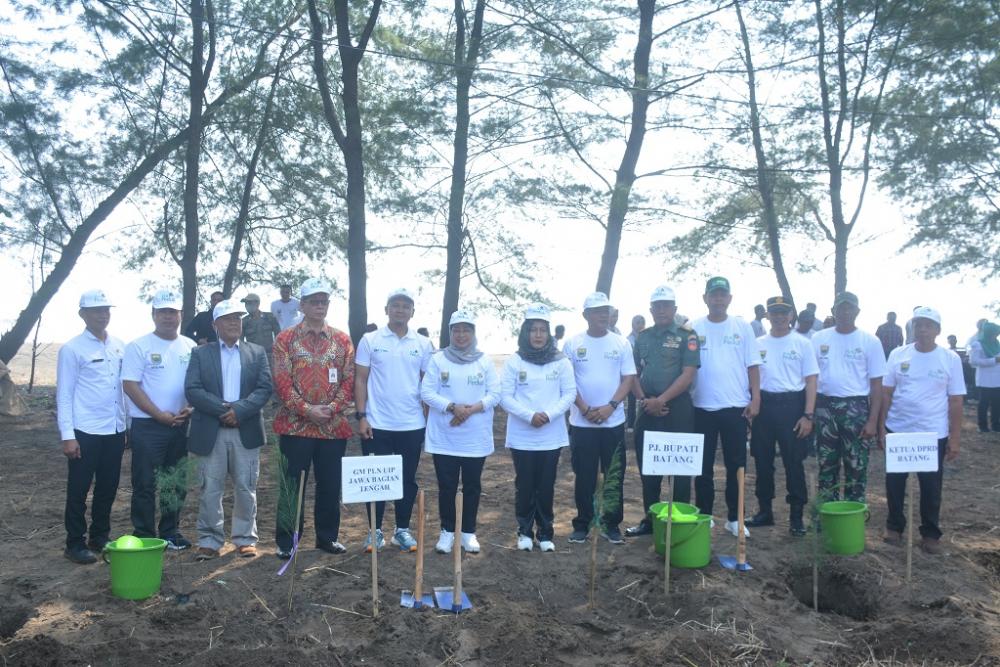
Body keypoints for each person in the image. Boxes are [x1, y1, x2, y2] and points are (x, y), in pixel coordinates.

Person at [271, 278, 355, 558]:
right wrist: (308, 410)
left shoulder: (342, 340)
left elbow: (349, 380)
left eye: (324, 302)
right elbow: (282, 382)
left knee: (330, 485)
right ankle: (287, 541)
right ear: (303, 305)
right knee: (292, 485)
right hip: (295, 426)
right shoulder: (285, 339)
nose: (319, 306)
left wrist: (331, 408)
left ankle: (327, 537)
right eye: (313, 301)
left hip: (332, 427)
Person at [184, 299, 273, 560]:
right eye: (228, 318)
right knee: (210, 488)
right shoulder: (200, 353)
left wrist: (240, 410)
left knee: (246, 487)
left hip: (245, 430)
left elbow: (264, 388)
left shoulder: (256, 352)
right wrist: (224, 410)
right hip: (211, 431)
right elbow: (193, 389)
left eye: (238, 317)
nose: (235, 322)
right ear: (215, 325)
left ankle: (245, 538)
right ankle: (210, 540)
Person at [879, 307, 964, 555]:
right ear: (912, 328)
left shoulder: (950, 359)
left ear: (938, 330)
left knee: (930, 486)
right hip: (898, 430)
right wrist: (881, 428)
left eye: (928, 325)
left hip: (932, 434)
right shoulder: (898, 354)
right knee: (894, 483)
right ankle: (894, 526)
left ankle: (930, 534)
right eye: (918, 324)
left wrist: (955, 438)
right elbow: (886, 393)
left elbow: (956, 400)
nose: (923, 329)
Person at [354, 288, 434, 553]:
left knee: (407, 479)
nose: (400, 310)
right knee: (375, 479)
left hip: (411, 425)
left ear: (412, 312)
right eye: (395, 305)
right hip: (377, 424)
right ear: (386, 310)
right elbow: (361, 379)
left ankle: (402, 530)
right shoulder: (370, 339)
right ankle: (375, 532)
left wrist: (427, 417)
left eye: (406, 306)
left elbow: (427, 383)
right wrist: (362, 416)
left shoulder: (422, 344)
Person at [420, 310, 500, 554]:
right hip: (445, 436)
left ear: (473, 333)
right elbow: (426, 392)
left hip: (475, 437)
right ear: (450, 333)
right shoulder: (438, 360)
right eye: (456, 330)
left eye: (466, 330)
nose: (461, 335)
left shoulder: (484, 361)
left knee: (472, 485)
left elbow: (495, 394)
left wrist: (470, 410)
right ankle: (447, 531)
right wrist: (453, 407)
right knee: (447, 485)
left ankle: (467, 532)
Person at [122, 289, 196, 550]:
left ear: (181, 315)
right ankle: (144, 534)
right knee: (144, 482)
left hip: (180, 424)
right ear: (153, 315)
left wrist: (190, 408)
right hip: (148, 426)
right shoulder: (139, 346)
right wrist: (158, 415)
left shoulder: (190, 346)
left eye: (172, 312)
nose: (168, 317)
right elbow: (130, 385)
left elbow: (196, 384)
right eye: (162, 312)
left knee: (174, 482)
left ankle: (170, 532)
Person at [57, 289, 127, 564]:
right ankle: (74, 542)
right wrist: (67, 436)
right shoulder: (72, 349)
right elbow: (64, 394)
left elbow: (124, 389)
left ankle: (99, 536)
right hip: (85, 430)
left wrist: (127, 426)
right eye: (96, 310)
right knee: (79, 488)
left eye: (106, 309)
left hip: (114, 429)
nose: (102, 315)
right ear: (82, 314)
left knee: (108, 487)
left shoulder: (120, 345)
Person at [625, 286, 700, 538]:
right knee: (649, 466)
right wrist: (646, 400)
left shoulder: (687, 336)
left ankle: (677, 521)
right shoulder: (642, 337)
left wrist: (662, 400)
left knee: (679, 468)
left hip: (677, 407)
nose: (661, 310)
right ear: (651, 310)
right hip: (647, 406)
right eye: (657, 306)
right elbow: (632, 373)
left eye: (666, 305)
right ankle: (651, 519)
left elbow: (688, 374)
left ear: (675, 309)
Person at [501, 304, 575, 552]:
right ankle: (524, 531)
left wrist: (549, 414)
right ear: (525, 333)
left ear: (549, 333)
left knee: (546, 485)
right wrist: (530, 415)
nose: (538, 335)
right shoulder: (515, 360)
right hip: (523, 435)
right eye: (533, 330)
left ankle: (545, 533)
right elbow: (505, 396)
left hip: (551, 435)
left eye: (543, 330)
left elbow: (569, 393)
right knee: (524, 484)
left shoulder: (560, 361)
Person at [690, 277, 761, 537]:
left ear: (729, 298)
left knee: (736, 465)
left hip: (736, 407)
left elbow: (753, 365)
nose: (718, 299)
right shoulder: (693, 328)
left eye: (722, 294)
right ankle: (705, 514)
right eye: (713, 295)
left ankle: (735, 518)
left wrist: (756, 399)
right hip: (702, 407)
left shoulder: (742, 327)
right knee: (703, 466)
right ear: (705, 298)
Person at [563, 292, 636, 545]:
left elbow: (628, 378)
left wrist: (611, 406)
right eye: (597, 311)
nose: (602, 315)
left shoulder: (621, 343)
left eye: (606, 311)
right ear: (585, 315)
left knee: (614, 474)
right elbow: (567, 380)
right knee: (584, 475)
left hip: (612, 422)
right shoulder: (572, 344)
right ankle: (583, 523)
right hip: (582, 423)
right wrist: (584, 408)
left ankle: (611, 524)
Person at [746, 296, 818, 536]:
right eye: (774, 312)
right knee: (763, 461)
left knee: (793, 462)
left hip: (792, 407)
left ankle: (796, 517)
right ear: (767, 315)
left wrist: (808, 415)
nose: (778, 317)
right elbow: (751, 376)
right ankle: (764, 511)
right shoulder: (757, 343)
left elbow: (811, 380)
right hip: (764, 407)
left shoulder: (802, 343)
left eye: (783, 313)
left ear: (790, 316)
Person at [812, 292, 885, 502]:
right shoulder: (819, 339)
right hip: (825, 407)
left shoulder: (870, 341)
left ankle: (853, 514)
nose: (845, 312)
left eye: (849, 308)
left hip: (856, 409)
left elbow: (877, 386)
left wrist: (872, 421)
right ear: (833, 311)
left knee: (856, 464)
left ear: (857, 311)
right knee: (826, 464)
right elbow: (811, 378)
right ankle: (827, 515)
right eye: (840, 308)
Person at [969, 321, 1000, 433]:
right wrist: (993, 360)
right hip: (985, 379)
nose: (996, 336)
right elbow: (973, 361)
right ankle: (983, 426)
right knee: (984, 403)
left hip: (997, 379)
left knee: (997, 404)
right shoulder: (977, 344)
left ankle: (996, 425)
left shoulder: (997, 344)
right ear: (988, 333)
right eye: (994, 333)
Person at [240, 293, 281, 364]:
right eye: (246, 303)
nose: (247, 305)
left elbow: (279, 337)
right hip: (252, 357)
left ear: (257, 303)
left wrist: (279, 354)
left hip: (270, 356)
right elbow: (240, 342)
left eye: (249, 303)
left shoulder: (270, 317)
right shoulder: (243, 321)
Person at [626, 315, 646, 428]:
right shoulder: (627, 340)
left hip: (644, 373)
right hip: (632, 374)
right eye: (638, 322)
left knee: (644, 398)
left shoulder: (646, 338)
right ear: (633, 325)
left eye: (642, 322)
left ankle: (642, 423)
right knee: (632, 400)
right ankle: (630, 425)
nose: (640, 325)